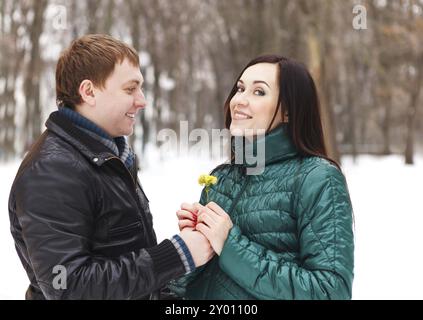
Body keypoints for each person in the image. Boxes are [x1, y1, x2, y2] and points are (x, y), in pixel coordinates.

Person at [8, 34, 214, 300]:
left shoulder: (108, 155)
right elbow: (68, 286)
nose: (142, 101)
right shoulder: (51, 171)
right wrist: (175, 256)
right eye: (130, 89)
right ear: (89, 92)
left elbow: (121, 255)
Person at [171, 55, 354, 300]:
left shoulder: (317, 178)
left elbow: (331, 291)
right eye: (240, 88)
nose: (239, 101)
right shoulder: (221, 178)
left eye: (259, 92)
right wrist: (191, 248)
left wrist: (229, 244)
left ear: (288, 111)